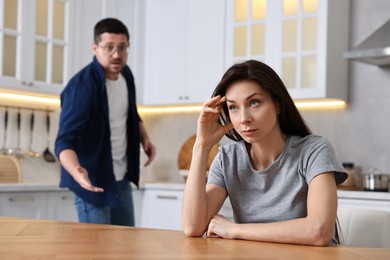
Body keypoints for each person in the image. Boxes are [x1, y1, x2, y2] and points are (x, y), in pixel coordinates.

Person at [182, 60, 347, 246]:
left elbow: (319, 231)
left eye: (254, 102)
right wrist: (202, 146)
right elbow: (193, 227)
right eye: (233, 107)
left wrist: (235, 229)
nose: (244, 119)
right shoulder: (228, 159)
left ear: (277, 105)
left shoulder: (314, 150)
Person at [55, 18, 156, 226]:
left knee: (126, 247)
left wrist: (144, 137)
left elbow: (130, 113)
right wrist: (77, 172)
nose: (117, 55)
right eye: (109, 47)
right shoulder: (82, 88)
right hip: (93, 182)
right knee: (96, 252)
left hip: (120, 179)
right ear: (95, 48)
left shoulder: (126, 75)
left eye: (122, 47)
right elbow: (64, 142)